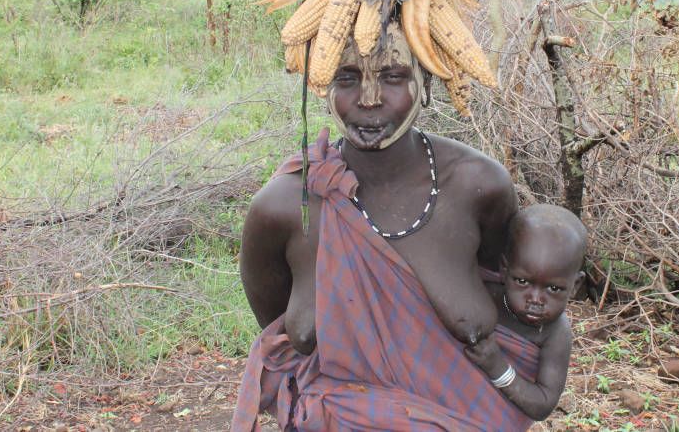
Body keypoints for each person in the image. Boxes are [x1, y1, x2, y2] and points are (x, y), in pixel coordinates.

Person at [232, 24, 539, 431]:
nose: (369, 98)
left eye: (393, 76)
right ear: (323, 86)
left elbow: (525, 316)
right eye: (347, 77)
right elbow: (281, 339)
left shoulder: (478, 187)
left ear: (425, 82)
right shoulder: (283, 209)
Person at [464, 204, 587, 421]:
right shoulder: (480, 293)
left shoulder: (556, 333)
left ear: (575, 285)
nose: (536, 299)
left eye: (554, 288)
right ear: (504, 269)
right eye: (522, 281)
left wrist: (498, 368)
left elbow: (543, 405)